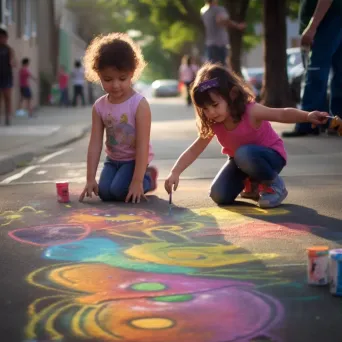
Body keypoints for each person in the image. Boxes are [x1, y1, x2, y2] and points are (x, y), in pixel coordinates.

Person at [164, 63, 329, 208]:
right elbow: (195, 149)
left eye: (215, 105)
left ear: (233, 95)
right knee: (219, 195)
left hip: (270, 158)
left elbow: (282, 114)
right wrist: (175, 172)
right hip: (242, 162)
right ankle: (254, 185)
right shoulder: (215, 122)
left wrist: (307, 116)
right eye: (205, 109)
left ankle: (274, 184)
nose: (211, 112)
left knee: (243, 153)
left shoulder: (250, 111)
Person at [79, 32, 158, 204]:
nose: (115, 85)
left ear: (132, 73)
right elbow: (95, 143)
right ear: (98, 75)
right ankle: (130, 179)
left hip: (134, 160)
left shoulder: (139, 104)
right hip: (112, 160)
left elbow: (143, 144)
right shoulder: (99, 106)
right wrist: (90, 178)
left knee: (120, 191)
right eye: (107, 79)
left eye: (122, 78)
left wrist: (137, 182)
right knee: (105, 194)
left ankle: (147, 178)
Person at [283, 0, 342, 137]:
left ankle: (309, 123)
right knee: (339, 74)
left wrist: (313, 25)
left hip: (328, 21)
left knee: (316, 71)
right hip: (334, 18)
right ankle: (337, 123)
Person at [200, 0, 246, 66]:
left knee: (212, 66)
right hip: (220, 44)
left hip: (210, 44)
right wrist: (237, 26)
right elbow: (221, 20)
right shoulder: (219, 10)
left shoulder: (203, 11)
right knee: (222, 67)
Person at [0, 28, 16, 126]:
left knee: (7, 98)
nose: (2, 39)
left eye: (3, 37)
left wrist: (12, 62)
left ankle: (7, 117)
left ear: (6, 38)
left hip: (7, 76)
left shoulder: (9, 49)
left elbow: (13, 61)